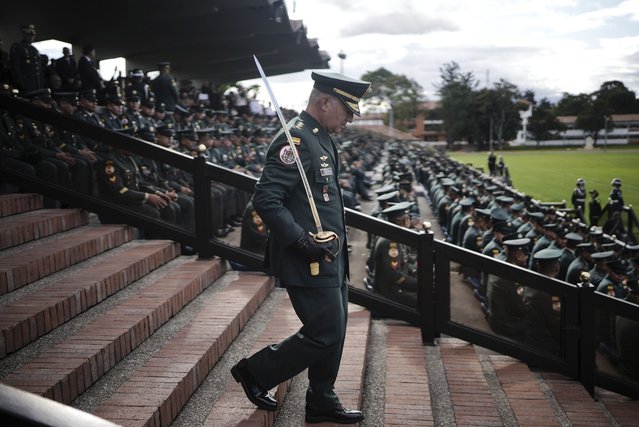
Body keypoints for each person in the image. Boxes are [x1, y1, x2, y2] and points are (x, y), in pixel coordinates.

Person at [230, 71, 370, 424]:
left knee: (334, 331)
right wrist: (301, 240)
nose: (350, 118)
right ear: (325, 102)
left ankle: (321, 397)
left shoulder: (320, 137)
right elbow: (267, 199)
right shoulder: (295, 139)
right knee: (325, 332)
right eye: (347, 109)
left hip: (330, 255)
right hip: (307, 256)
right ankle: (256, 371)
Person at [10, 24, 45, 93]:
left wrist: (41, 84)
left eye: (33, 35)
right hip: (25, 84)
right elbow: (15, 68)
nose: (32, 36)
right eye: (29, 34)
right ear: (23, 34)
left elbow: (39, 69)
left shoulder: (34, 50)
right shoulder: (18, 47)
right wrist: (21, 84)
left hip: (36, 84)